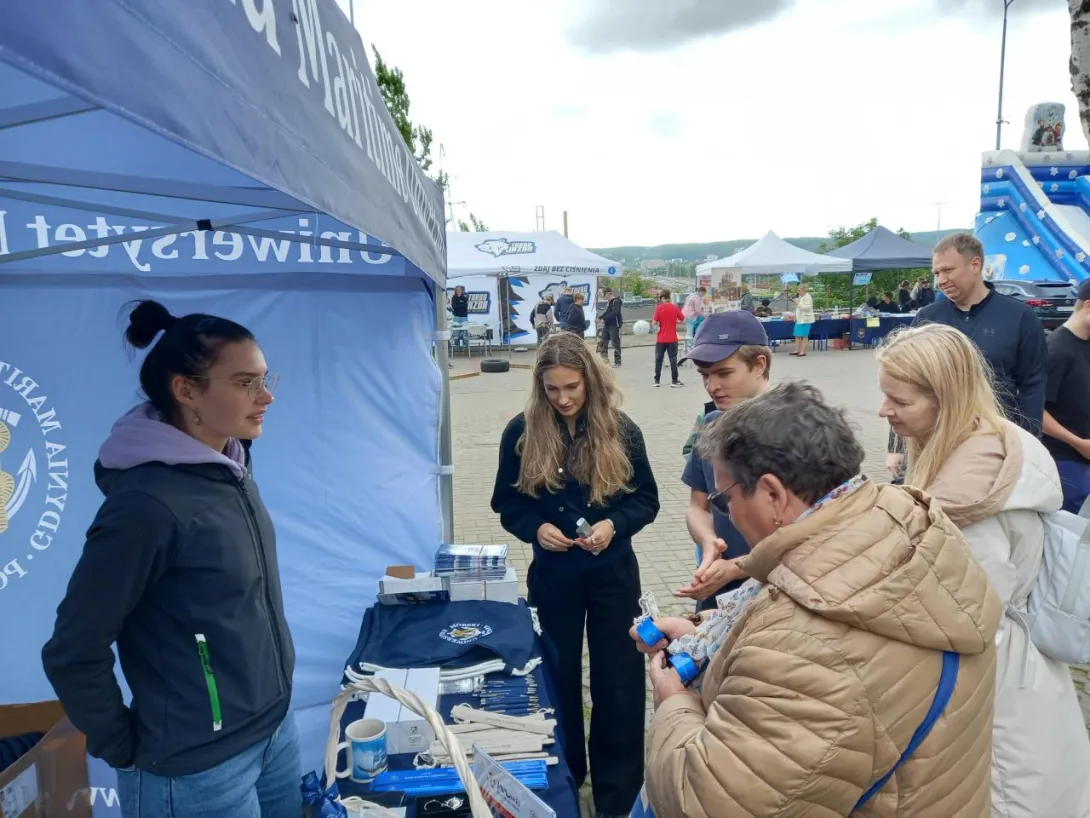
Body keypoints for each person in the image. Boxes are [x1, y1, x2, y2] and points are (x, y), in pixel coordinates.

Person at [636, 382, 1000, 817]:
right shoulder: (905, 529)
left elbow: (707, 802)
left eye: (724, 499)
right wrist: (704, 633)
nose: (726, 514)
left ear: (772, 494)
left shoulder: (800, 649)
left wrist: (673, 702)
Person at [42, 301, 299, 818]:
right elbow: (74, 648)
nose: (266, 396)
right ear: (186, 391)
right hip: (196, 772)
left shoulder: (229, 466)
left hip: (273, 734)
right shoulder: (147, 505)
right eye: (245, 383)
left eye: (265, 378)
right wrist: (126, 750)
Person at [877, 323, 1090, 816]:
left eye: (900, 401)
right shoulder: (999, 442)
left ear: (945, 400)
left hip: (992, 680)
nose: (884, 410)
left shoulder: (971, 502)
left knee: (1010, 790)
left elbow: (969, 611)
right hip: (1023, 665)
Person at [491, 332, 659, 818]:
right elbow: (507, 503)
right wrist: (536, 528)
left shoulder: (620, 429)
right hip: (554, 575)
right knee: (555, 673)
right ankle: (564, 776)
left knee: (619, 679)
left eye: (572, 387)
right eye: (552, 389)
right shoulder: (521, 432)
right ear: (539, 386)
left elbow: (646, 500)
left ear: (590, 380)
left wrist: (614, 524)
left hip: (613, 574)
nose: (563, 399)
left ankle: (617, 792)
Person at [887, 232, 1047, 480]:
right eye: (936, 273)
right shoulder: (927, 318)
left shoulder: (1020, 317)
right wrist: (897, 445)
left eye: (948, 270)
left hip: (993, 445)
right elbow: (904, 383)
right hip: (933, 443)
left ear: (975, 264)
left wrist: (1029, 443)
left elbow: (1032, 385)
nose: (941, 280)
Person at [676, 312, 772, 611]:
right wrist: (708, 542)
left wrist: (737, 567)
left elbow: (810, 531)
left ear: (759, 365)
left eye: (724, 373)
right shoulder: (710, 425)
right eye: (705, 375)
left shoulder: (799, 431)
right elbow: (697, 507)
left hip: (775, 594)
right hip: (716, 590)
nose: (711, 386)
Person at [1044, 278, 1090, 513]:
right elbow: (1035, 411)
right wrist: (1078, 443)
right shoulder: (1056, 350)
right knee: (1074, 527)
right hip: (1066, 461)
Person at [652, 289, 686, 388]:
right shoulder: (675, 308)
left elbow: (654, 322)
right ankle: (674, 381)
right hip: (672, 338)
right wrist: (674, 321)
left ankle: (657, 380)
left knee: (659, 359)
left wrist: (658, 326)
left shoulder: (659, 308)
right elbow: (683, 319)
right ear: (669, 297)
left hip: (661, 338)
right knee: (673, 359)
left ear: (662, 297)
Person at [598, 288, 623, 367]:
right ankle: (604, 360)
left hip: (614, 325)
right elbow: (607, 312)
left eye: (604, 295)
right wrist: (600, 317)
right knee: (603, 342)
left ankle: (617, 362)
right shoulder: (610, 302)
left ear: (609, 294)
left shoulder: (616, 302)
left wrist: (605, 318)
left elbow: (615, 312)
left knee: (615, 343)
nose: (604, 297)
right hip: (607, 325)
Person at [791, 283, 814, 356]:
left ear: (804, 290)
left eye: (799, 290)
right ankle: (797, 350)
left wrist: (798, 303)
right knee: (797, 335)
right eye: (797, 290)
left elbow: (808, 308)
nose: (798, 292)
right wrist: (795, 316)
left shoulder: (808, 297)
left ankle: (803, 351)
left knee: (804, 336)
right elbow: (797, 308)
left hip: (805, 319)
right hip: (799, 318)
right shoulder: (800, 296)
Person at [681, 287, 706, 355]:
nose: (703, 295)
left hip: (685, 314)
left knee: (688, 332)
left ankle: (686, 347)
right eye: (703, 293)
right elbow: (697, 309)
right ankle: (689, 349)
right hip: (690, 315)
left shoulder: (691, 295)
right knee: (690, 332)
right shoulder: (697, 297)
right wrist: (703, 315)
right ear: (701, 291)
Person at [450, 285, 470, 350]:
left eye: (460, 290)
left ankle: (465, 346)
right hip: (456, 316)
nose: (458, 291)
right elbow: (454, 307)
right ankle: (456, 345)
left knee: (465, 332)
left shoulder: (465, 297)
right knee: (456, 333)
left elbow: (465, 306)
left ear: (462, 291)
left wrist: (458, 305)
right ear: (455, 291)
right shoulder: (454, 297)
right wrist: (461, 305)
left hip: (464, 317)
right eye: (457, 290)